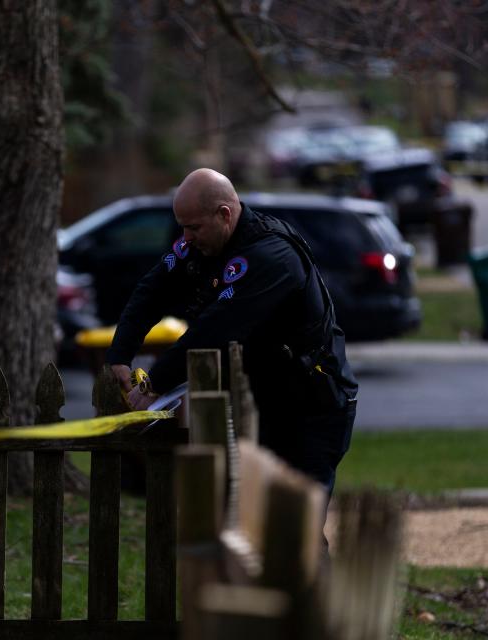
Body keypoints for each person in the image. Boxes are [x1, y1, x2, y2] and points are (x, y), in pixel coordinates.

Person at [106, 168, 358, 500]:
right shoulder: (201, 243)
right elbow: (152, 290)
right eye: (183, 227)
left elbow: (217, 327)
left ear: (224, 214)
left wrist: (156, 383)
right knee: (255, 521)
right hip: (266, 400)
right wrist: (120, 355)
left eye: (193, 227)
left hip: (314, 405)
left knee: (296, 524)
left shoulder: (272, 256)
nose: (186, 237)